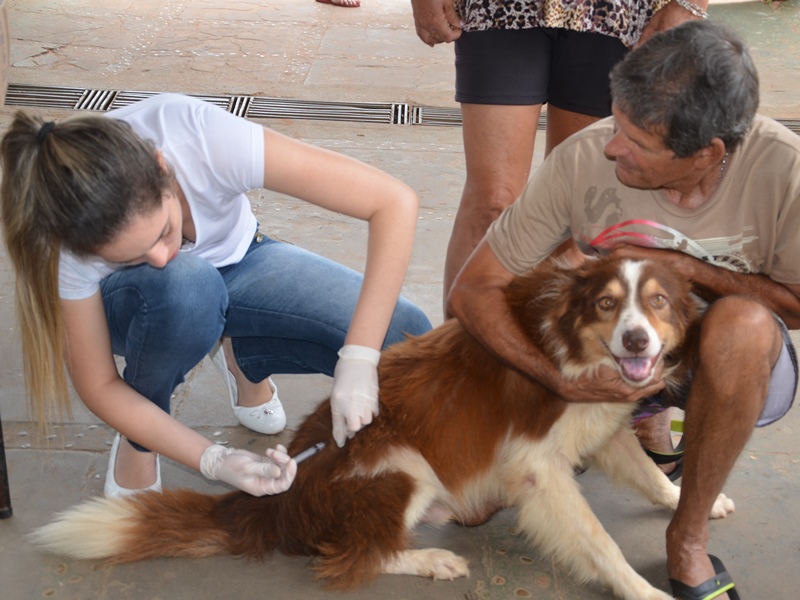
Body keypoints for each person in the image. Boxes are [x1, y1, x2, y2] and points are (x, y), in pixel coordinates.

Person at [448, 20, 799, 599]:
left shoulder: (786, 171)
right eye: (617, 122)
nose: (612, 144)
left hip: (727, 356)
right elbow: (474, 290)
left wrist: (691, 272)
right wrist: (554, 378)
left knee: (743, 324)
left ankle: (685, 538)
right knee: (471, 506)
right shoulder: (586, 156)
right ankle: (609, 423)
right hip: (609, 349)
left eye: (637, 142)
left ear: (707, 154)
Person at [0, 93, 431, 499]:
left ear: (162, 166)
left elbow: (393, 202)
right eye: (131, 256)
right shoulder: (65, 232)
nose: (162, 255)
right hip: (145, 304)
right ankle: (141, 434)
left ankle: (241, 352)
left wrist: (360, 358)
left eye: (164, 231)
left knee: (404, 337)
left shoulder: (202, 137)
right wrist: (213, 459)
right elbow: (96, 383)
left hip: (243, 259)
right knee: (185, 285)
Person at [408, 0, 710, 315]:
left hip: (617, 14)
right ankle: (459, 356)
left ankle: (543, 355)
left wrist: (689, 4)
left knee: (576, 218)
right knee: (490, 205)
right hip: (499, 8)